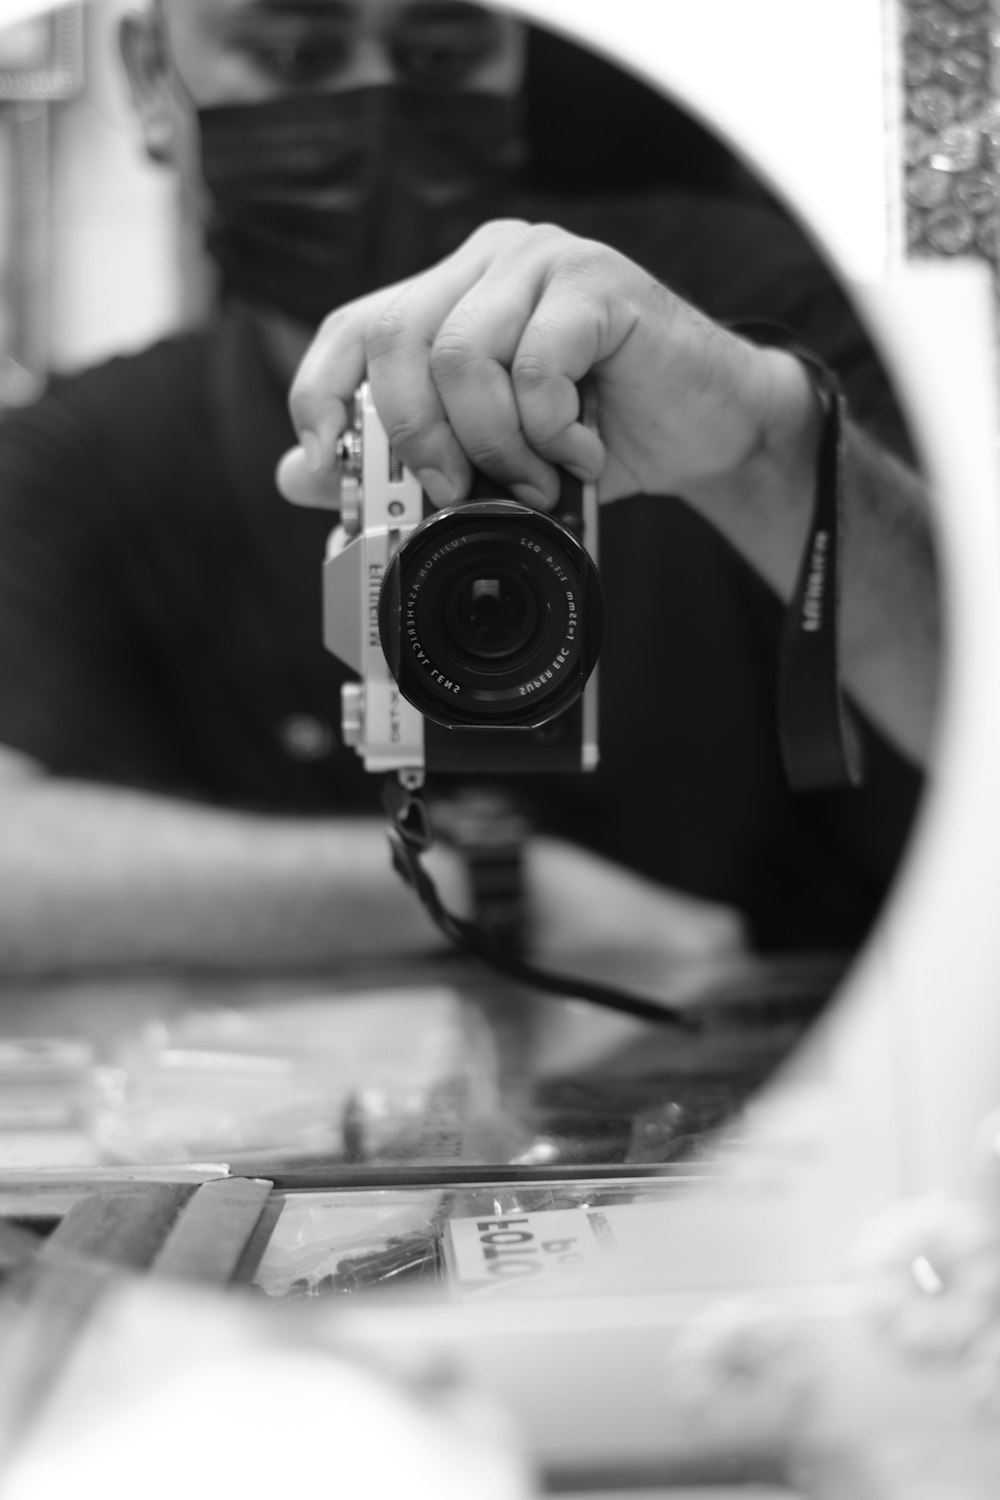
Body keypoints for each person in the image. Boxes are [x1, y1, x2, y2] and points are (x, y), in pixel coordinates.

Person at [0, 0, 936, 980]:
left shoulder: (738, 320)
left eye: (439, 50)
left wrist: (768, 447)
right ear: (153, 75)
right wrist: (488, 883)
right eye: (291, 52)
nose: (376, 103)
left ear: (517, 53)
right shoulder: (89, 451)